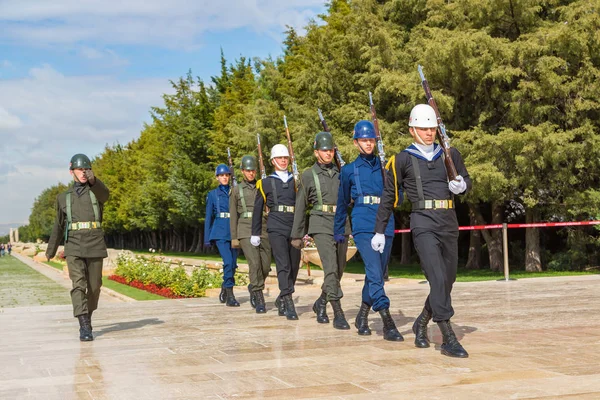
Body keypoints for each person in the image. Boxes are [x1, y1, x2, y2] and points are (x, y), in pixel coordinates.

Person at [373, 104, 472, 358]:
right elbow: (388, 196)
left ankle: (421, 321)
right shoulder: (402, 159)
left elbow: (466, 180)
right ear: (412, 129)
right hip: (423, 222)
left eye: (431, 128)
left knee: (448, 279)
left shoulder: (449, 154)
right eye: (423, 129)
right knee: (436, 277)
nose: (429, 133)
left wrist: (462, 185)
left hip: (448, 220)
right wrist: (379, 230)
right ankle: (447, 336)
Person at [334, 121, 403, 341]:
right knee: (374, 271)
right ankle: (387, 322)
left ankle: (362, 315)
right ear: (356, 143)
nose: (368, 144)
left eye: (371, 140)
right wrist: (339, 230)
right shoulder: (348, 171)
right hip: (363, 222)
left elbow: (395, 196)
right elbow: (343, 202)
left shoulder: (386, 167)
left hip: (386, 221)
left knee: (378, 274)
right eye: (364, 140)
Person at [46, 153, 109, 342]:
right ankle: (84, 325)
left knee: (95, 287)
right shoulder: (62, 197)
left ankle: (87, 316)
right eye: (80, 169)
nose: (84, 173)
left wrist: (94, 181)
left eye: (87, 169)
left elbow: (106, 195)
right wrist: (51, 249)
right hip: (73, 244)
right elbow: (59, 225)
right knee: (79, 285)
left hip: (95, 242)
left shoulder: (96, 191)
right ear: (71, 171)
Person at [291, 132, 351, 329]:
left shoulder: (342, 172)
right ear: (317, 152)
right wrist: (297, 234)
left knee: (339, 270)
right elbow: (300, 205)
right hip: (320, 223)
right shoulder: (308, 175)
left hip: (341, 223)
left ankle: (321, 303)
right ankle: (338, 312)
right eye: (325, 150)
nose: (328, 154)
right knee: (331, 268)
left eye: (331, 150)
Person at [251, 144, 300, 320]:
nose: (283, 160)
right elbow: (258, 209)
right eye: (280, 158)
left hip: (293, 224)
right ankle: (288, 300)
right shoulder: (264, 183)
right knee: (283, 264)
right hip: (276, 224)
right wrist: (255, 233)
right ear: (273, 161)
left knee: (294, 265)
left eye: (285, 158)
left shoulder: (296, 181)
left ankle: (282, 297)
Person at [230, 155, 272, 313]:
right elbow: (233, 215)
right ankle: (259, 295)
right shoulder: (236, 190)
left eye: (253, 170)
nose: (251, 173)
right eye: (248, 170)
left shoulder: (262, 186)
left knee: (266, 266)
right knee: (254, 263)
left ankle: (254, 286)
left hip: (262, 227)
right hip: (246, 228)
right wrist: (234, 237)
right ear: (242, 171)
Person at [205, 164, 239, 307]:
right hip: (220, 230)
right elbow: (208, 217)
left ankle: (225, 286)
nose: (224, 177)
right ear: (217, 177)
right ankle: (230, 295)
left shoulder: (235, 191)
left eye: (227, 175)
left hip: (234, 230)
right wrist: (206, 238)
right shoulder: (213, 195)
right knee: (228, 262)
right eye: (222, 175)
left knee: (233, 264)